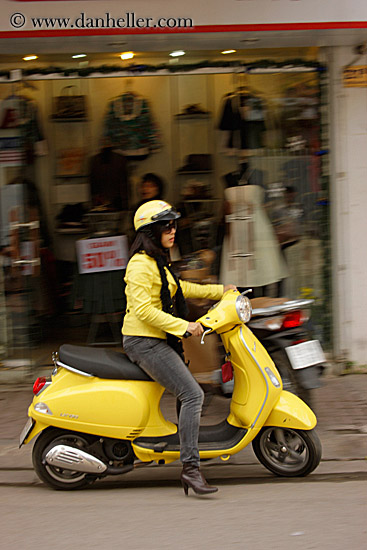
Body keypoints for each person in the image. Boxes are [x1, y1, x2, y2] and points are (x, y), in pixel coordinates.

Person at [122, 200, 236, 496]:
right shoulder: (139, 266)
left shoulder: (158, 261)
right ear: (151, 231)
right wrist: (184, 326)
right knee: (193, 393)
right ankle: (190, 469)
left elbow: (181, 288)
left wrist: (220, 290)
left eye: (174, 225)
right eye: (167, 226)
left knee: (188, 393)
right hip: (143, 341)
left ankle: (189, 448)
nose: (173, 230)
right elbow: (143, 311)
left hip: (158, 338)